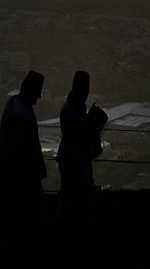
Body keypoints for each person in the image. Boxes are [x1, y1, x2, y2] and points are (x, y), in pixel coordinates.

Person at [0, 71, 47, 230]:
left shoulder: (14, 104)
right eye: (38, 92)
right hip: (21, 175)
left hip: (10, 172)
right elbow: (25, 148)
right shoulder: (23, 114)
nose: (39, 97)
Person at [56, 71, 106, 227]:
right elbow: (80, 137)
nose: (86, 91)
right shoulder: (73, 109)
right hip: (74, 160)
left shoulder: (73, 106)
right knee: (75, 199)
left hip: (73, 158)